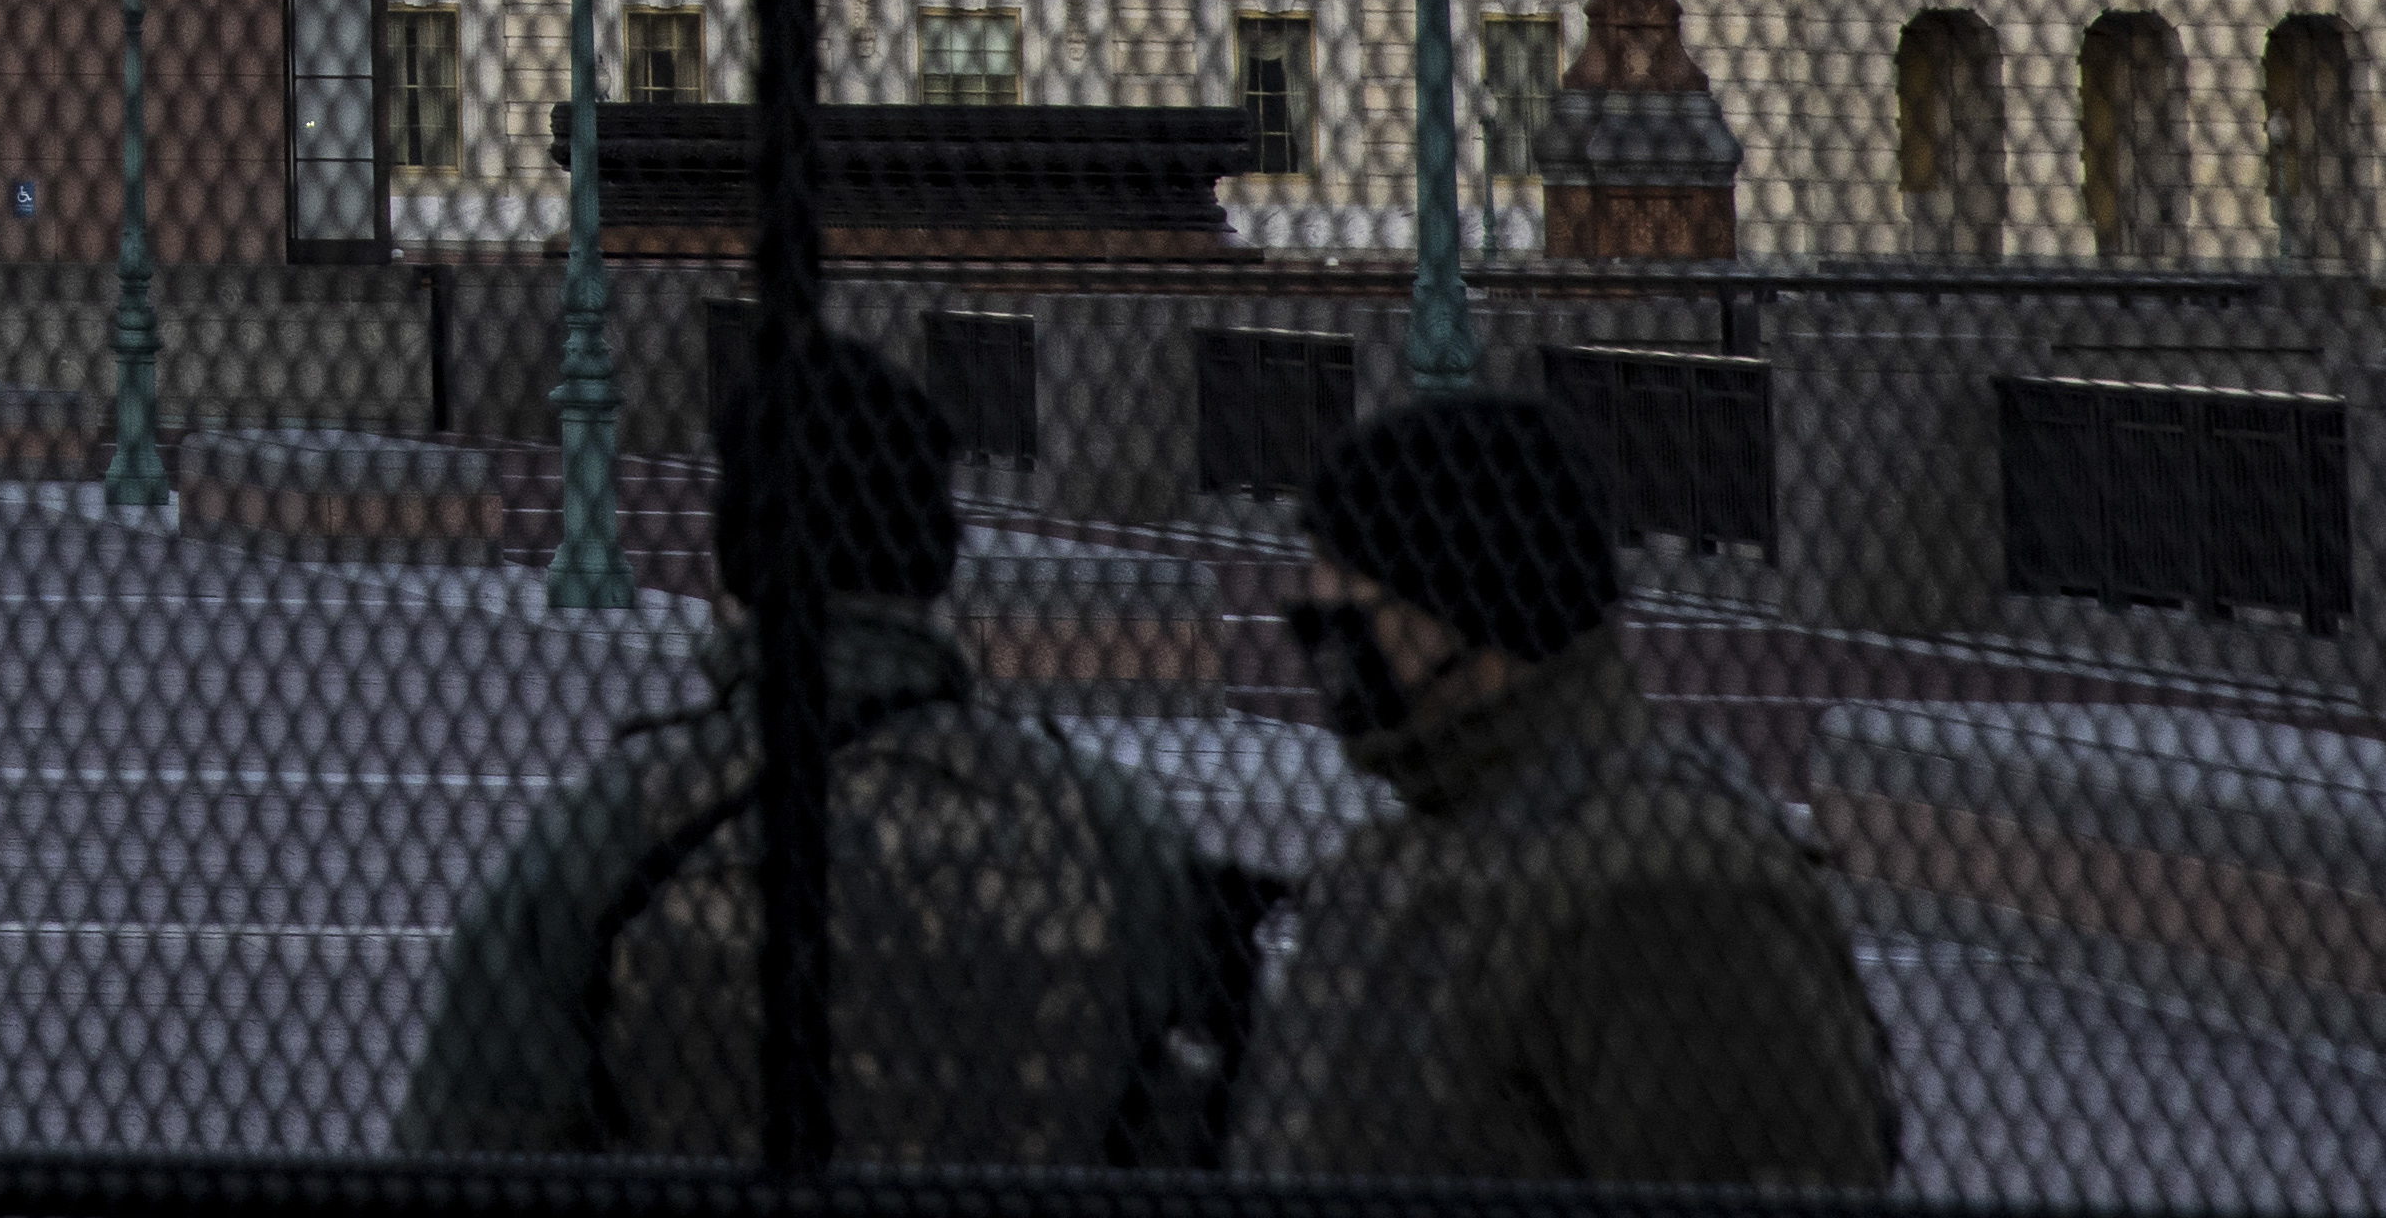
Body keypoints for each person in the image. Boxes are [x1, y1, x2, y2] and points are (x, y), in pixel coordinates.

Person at [401, 333, 1227, 1165]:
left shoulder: (614, 835)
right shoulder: (1110, 836)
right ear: (936, 561)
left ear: (733, 560)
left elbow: (467, 1144)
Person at [1225, 390, 1898, 1185]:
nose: (1319, 622)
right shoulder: (1420, 847)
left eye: (1349, 590)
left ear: (1458, 605)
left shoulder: (1663, 884)